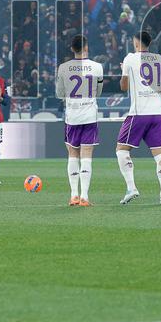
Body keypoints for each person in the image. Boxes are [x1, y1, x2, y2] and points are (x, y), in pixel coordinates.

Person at [116, 31, 161, 205]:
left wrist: (124, 72)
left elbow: (124, 87)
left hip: (139, 113)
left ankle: (131, 187)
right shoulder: (159, 59)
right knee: (159, 154)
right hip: (157, 112)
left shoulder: (130, 58)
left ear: (137, 42)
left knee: (121, 150)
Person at [55, 34, 104, 207]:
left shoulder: (63, 68)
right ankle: (84, 197)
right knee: (87, 157)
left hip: (72, 117)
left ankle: (73, 195)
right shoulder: (97, 67)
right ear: (86, 47)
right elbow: (98, 92)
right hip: (89, 116)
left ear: (71, 49)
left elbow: (59, 93)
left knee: (72, 156)